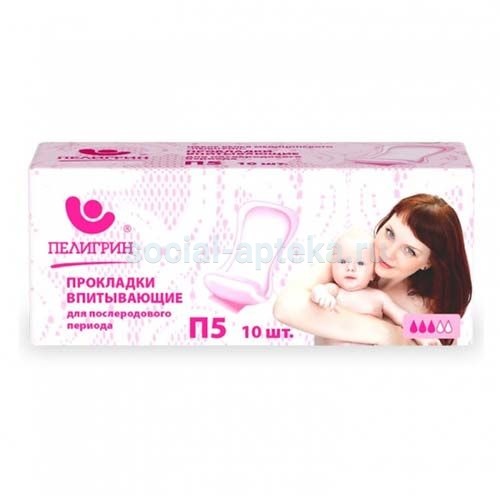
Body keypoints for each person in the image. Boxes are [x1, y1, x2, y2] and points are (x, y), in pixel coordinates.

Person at [273, 194, 472, 345]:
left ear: (428, 263)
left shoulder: (432, 310)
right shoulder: (353, 257)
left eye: (409, 251)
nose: (388, 252)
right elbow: (285, 307)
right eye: (390, 233)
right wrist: (389, 334)